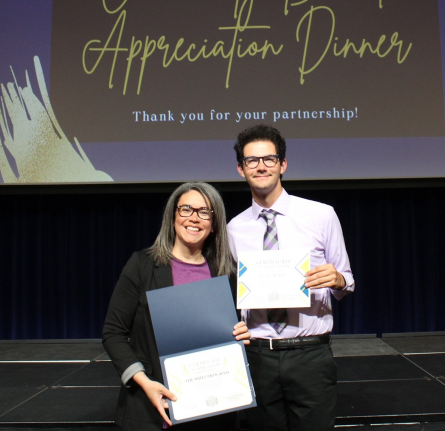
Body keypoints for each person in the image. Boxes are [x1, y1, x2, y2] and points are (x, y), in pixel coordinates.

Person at [228, 125, 355, 431]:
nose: (261, 166)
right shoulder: (234, 228)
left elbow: (347, 281)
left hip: (309, 354)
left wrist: (336, 278)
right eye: (251, 161)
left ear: (282, 165)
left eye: (269, 159)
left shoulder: (321, 215)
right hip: (258, 355)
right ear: (241, 169)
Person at [102, 182, 250, 431]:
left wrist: (242, 336)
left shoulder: (226, 275)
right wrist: (144, 382)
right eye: (186, 210)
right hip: (151, 410)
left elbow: (231, 336)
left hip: (214, 412)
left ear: (213, 225)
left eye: (205, 212)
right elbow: (113, 334)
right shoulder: (142, 265)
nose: (194, 218)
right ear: (173, 217)